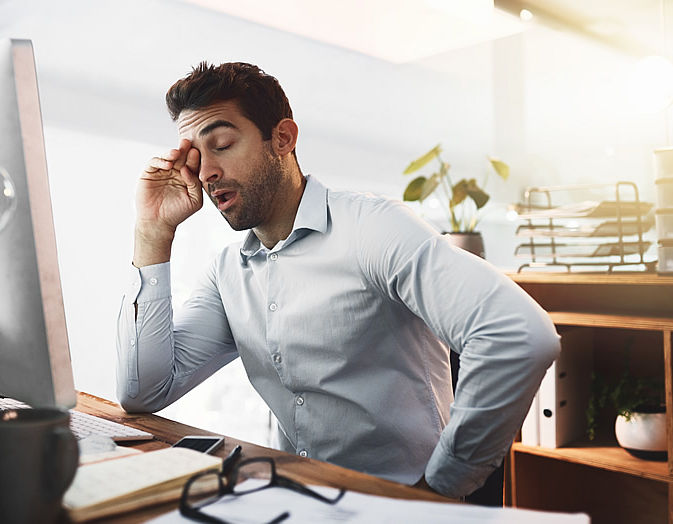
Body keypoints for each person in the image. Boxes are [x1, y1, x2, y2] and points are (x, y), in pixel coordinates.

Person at [116, 62, 560, 499]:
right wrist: (152, 231)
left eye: (223, 144)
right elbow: (144, 391)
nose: (207, 172)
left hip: (402, 505)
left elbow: (519, 335)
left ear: (282, 139)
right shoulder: (229, 272)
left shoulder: (373, 229)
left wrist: (439, 488)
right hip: (301, 499)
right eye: (196, 155)